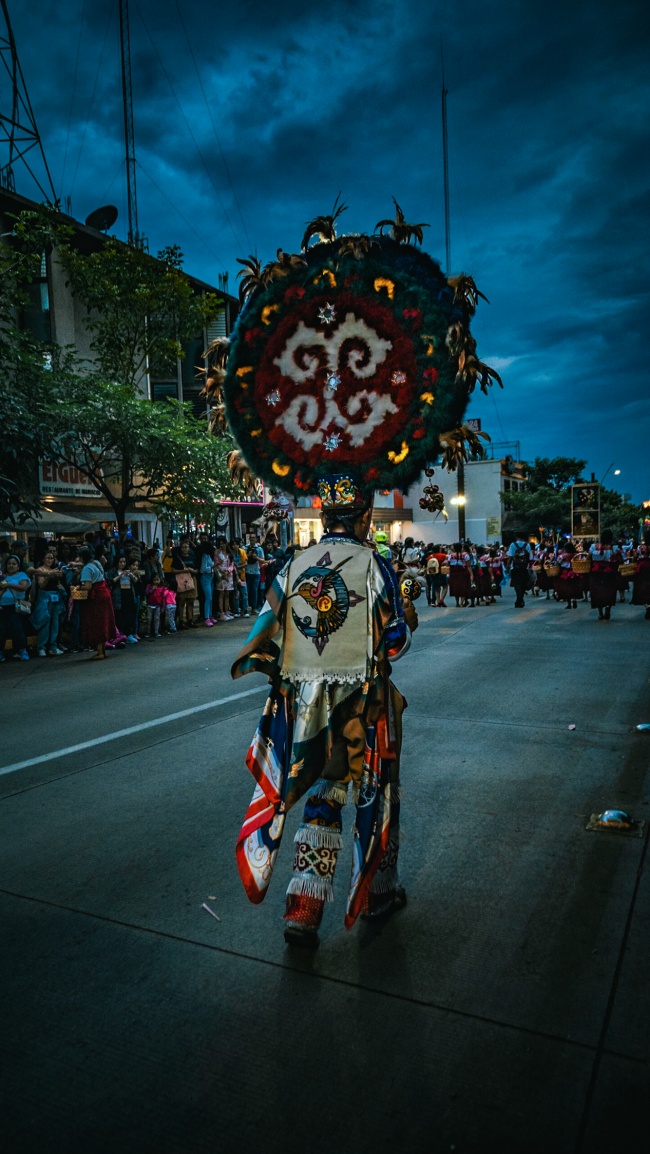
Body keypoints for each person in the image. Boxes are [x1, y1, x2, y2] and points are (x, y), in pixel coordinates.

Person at [233, 476, 417, 947]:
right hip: (364, 704)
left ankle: (303, 910)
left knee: (321, 793)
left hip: (306, 707)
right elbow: (394, 643)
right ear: (363, 518)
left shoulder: (292, 565)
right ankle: (376, 894)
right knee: (378, 794)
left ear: (325, 516)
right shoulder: (374, 566)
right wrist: (405, 624)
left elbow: (267, 631)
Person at [78, 547, 116, 660]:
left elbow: (88, 586)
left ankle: (99, 652)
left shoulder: (86, 568)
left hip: (96, 597)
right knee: (104, 622)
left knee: (97, 623)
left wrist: (79, 587)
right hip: (104, 594)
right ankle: (102, 651)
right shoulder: (96, 564)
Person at [30, 548, 66, 656]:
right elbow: (41, 585)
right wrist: (48, 575)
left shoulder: (55, 570)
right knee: (45, 622)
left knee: (55, 623)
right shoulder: (40, 570)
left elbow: (59, 582)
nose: (50, 560)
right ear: (43, 559)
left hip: (55, 597)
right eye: (48, 558)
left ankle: (53, 646)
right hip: (44, 598)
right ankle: (42, 647)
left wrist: (60, 586)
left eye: (52, 558)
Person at [0, 555, 31, 662]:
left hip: (15, 607)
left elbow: (23, 587)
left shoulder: (22, 575)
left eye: (14, 564)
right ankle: (1, 652)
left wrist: (8, 585)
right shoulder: (2, 576)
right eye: (9, 564)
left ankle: (22, 651)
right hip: (3, 607)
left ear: (18, 566)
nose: (11, 566)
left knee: (17, 630)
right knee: (1, 630)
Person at [589, 530, 621, 620]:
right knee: (609, 590)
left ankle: (600, 613)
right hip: (609, 572)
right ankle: (608, 608)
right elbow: (620, 560)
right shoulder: (614, 548)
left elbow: (588, 558)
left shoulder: (593, 547)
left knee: (597, 591)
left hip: (596, 572)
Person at [172, 538, 198, 628]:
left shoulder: (192, 557)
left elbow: (197, 570)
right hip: (182, 581)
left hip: (191, 579)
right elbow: (173, 570)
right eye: (183, 547)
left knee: (191, 601)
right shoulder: (177, 558)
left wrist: (192, 570)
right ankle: (181, 620)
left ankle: (190, 619)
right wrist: (183, 570)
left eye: (187, 547)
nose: (185, 549)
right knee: (181, 601)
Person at [507, 536, 532, 608]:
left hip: (515, 567)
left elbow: (510, 557)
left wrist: (507, 567)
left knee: (516, 584)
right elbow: (530, 558)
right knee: (523, 584)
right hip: (524, 568)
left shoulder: (513, 545)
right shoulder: (527, 545)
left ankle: (519, 599)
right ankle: (520, 599)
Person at [631, 536, 650, 619]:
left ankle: (647, 606)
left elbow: (635, 557)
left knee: (641, 587)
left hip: (642, 568)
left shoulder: (640, 547)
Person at [448, 543, 472, 607]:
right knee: (463, 587)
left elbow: (448, 563)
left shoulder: (451, 555)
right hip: (463, 572)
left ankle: (457, 602)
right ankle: (462, 602)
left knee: (456, 587)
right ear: (461, 548)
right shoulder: (465, 555)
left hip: (454, 573)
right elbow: (468, 566)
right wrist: (471, 574)